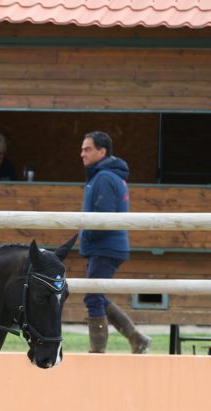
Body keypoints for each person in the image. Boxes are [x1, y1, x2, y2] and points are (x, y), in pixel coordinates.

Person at [78, 131, 151, 354]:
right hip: (105, 246)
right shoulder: (104, 176)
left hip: (105, 247)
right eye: (82, 149)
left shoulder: (103, 178)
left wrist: (87, 236)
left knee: (93, 297)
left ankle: (98, 350)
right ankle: (136, 338)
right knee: (96, 295)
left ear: (102, 151)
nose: (82, 154)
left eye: (87, 149)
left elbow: (104, 218)